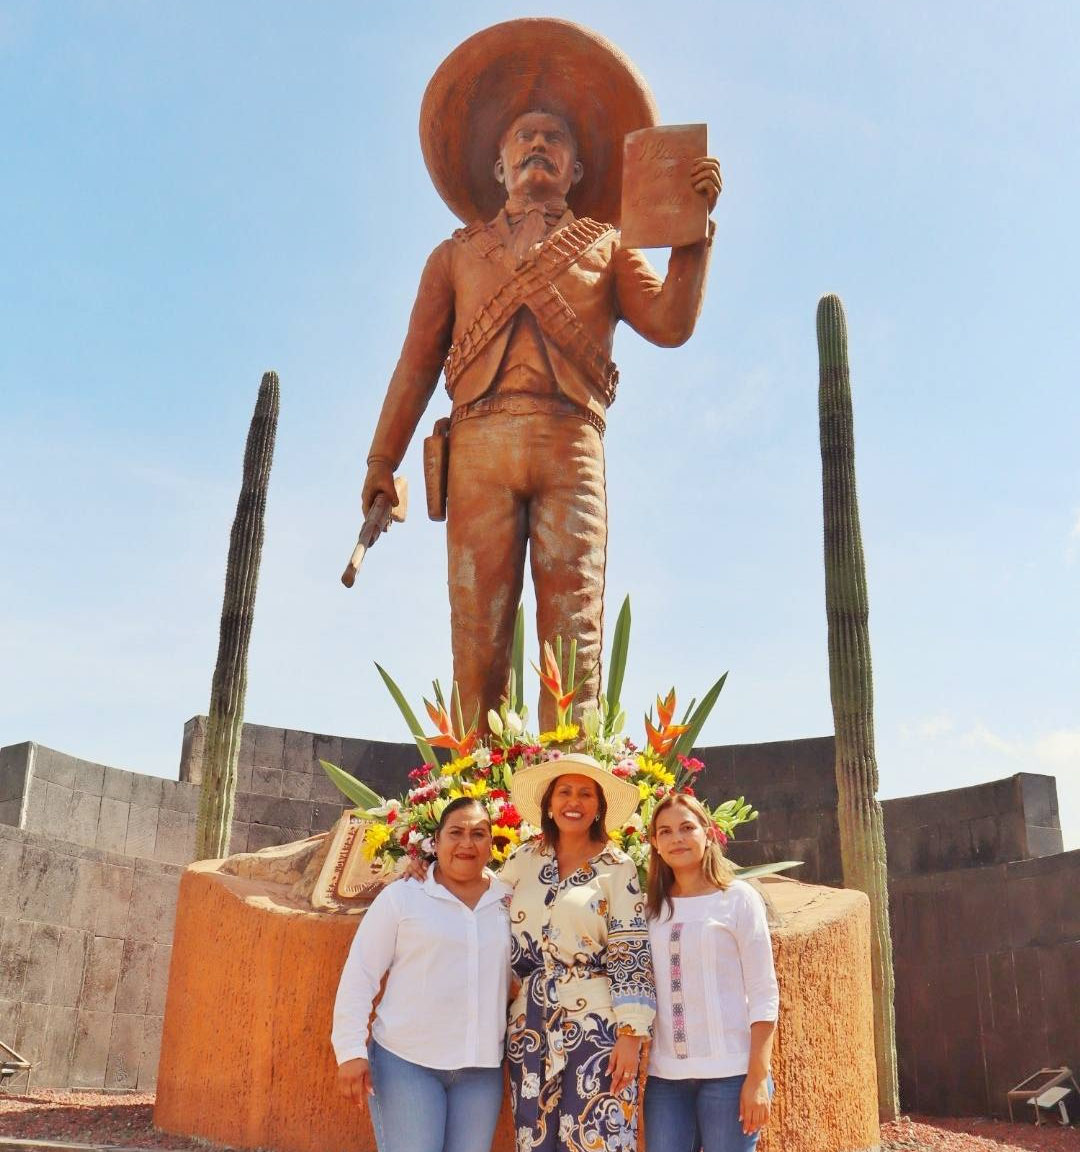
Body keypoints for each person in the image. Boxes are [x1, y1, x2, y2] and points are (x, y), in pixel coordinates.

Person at [359, 19, 722, 729]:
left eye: (554, 138)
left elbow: (670, 323)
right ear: (497, 167)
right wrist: (381, 461)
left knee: (574, 642)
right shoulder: (454, 256)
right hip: (479, 451)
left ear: (577, 170)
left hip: (570, 447)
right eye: (523, 136)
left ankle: (569, 785)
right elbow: (416, 364)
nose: (537, 144)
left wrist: (693, 237)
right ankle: (476, 794)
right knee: (476, 649)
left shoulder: (608, 245)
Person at [332, 797, 511, 1152]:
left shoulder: (508, 901)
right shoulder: (403, 897)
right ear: (436, 841)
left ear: (492, 843)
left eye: (478, 834)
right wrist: (350, 1050)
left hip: (481, 1071)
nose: (466, 843)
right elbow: (361, 972)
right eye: (455, 833)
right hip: (407, 1063)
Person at [501, 751, 655, 1151]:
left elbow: (630, 950)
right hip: (529, 1026)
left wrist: (631, 1033)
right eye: (564, 792)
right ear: (549, 803)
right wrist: (426, 869)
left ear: (599, 806)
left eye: (586, 794)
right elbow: (483, 909)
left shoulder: (617, 866)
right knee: (534, 1140)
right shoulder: (522, 859)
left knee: (596, 1139)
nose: (574, 802)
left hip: (598, 1029)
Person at [644, 792, 779, 1152]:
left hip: (731, 1076)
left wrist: (757, 1078)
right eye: (665, 831)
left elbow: (764, 994)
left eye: (687, 828)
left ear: (708, 832)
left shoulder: (738, 898)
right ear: (655, 843)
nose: (677, 838)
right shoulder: (651, 910)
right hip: (666, 1081)